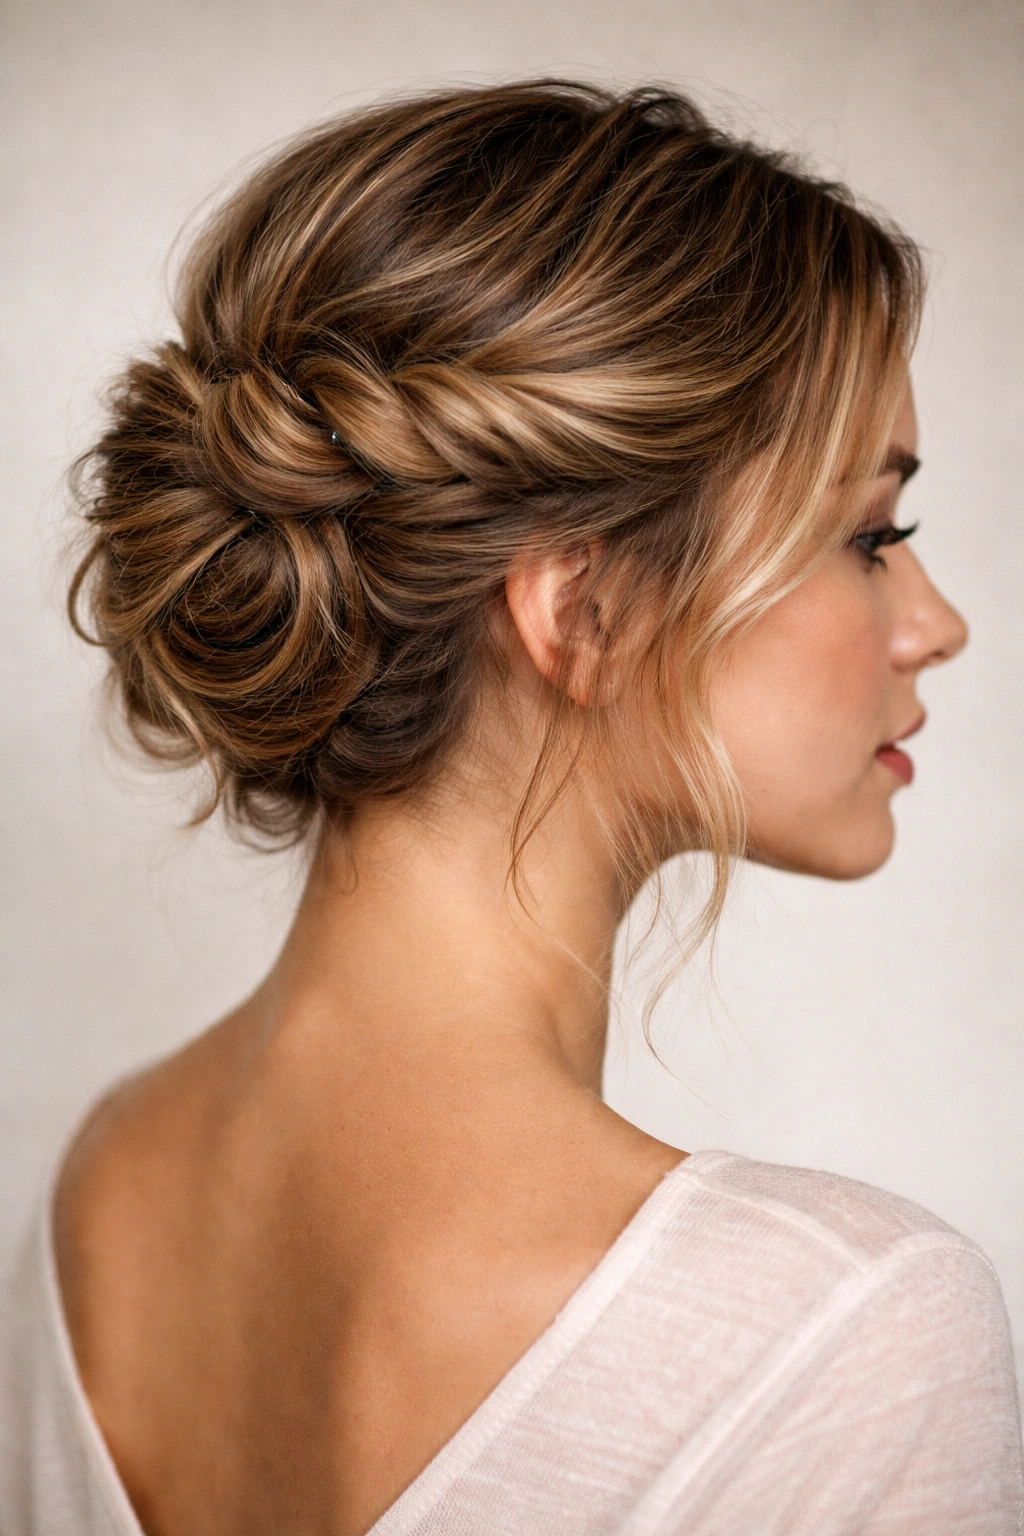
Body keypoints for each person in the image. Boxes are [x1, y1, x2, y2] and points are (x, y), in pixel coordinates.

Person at [0, 80, 1019, 1536]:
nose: (937, 622)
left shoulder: (98, 1195)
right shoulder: (849, 1334)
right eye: (871, 535)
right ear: (581, 610)